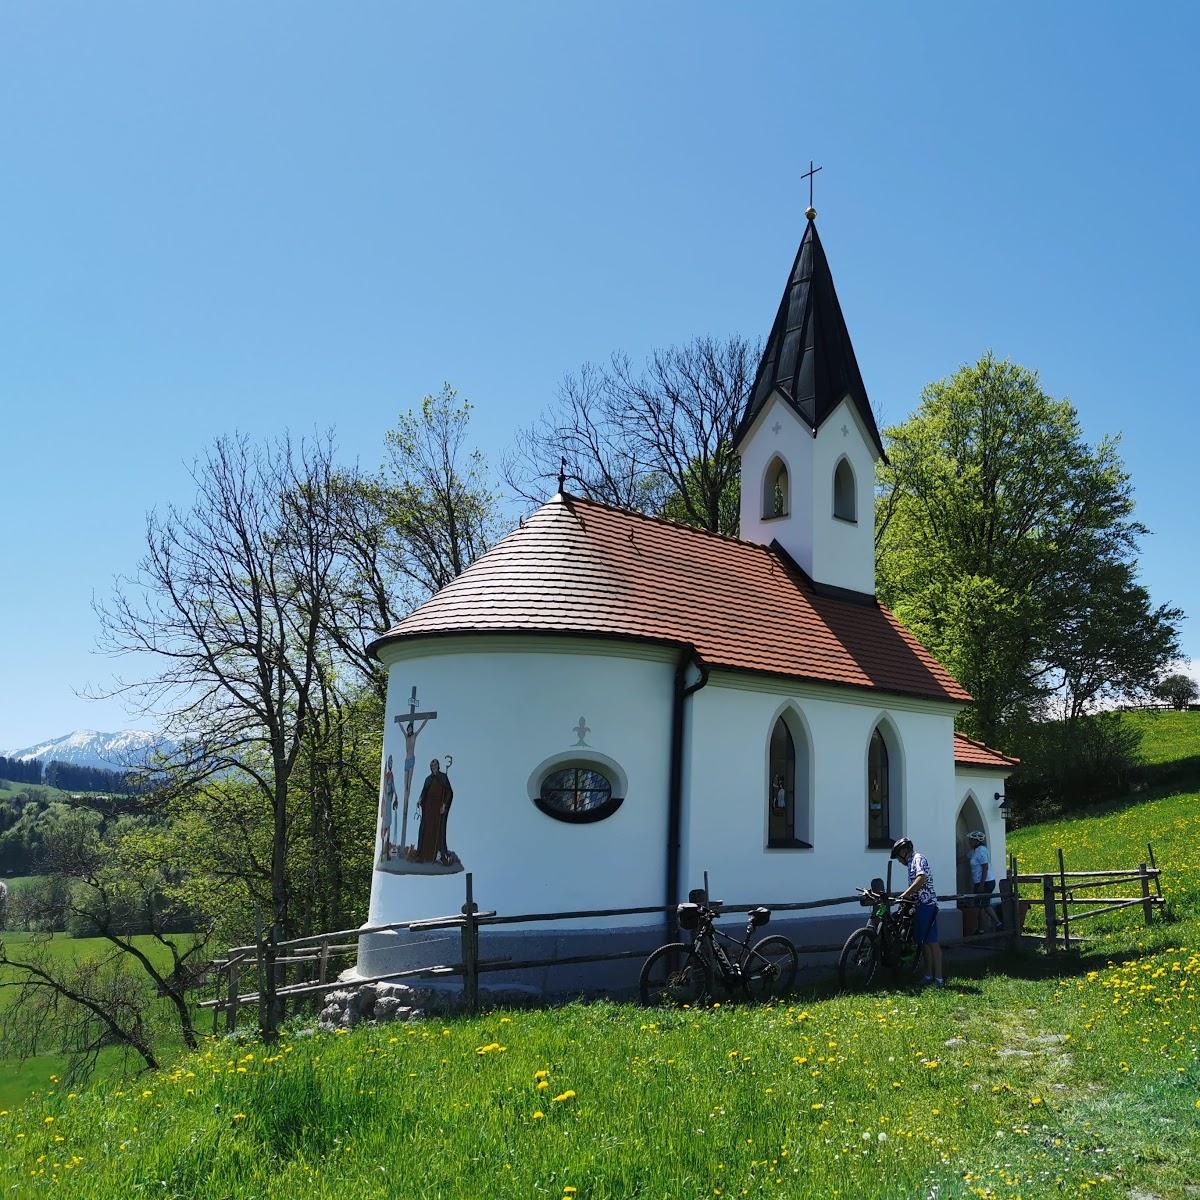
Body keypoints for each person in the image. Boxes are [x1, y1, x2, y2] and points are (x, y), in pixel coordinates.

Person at [891, 836, 945, 986]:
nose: (898, 860)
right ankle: (928, 976)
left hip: (927, 904)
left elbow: (921, 879)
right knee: (924, 943)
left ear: (904, 851)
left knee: (932, 942)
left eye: (898, 856)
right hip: (919, 906)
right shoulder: (910, 863)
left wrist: (905, 894)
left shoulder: (918, 858)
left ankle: (939, 978)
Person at [968, 831, 1000, 933]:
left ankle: (999, 924)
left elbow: (985, 868)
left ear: (976, 841)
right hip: (979, 882)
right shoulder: (974, 851)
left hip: (985, 882)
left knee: (984, 905)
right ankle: (981, 929)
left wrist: (981, 885)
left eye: (971, 840)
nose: (969, 841)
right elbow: (965, 858)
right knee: (980, 906)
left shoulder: (981, 851)